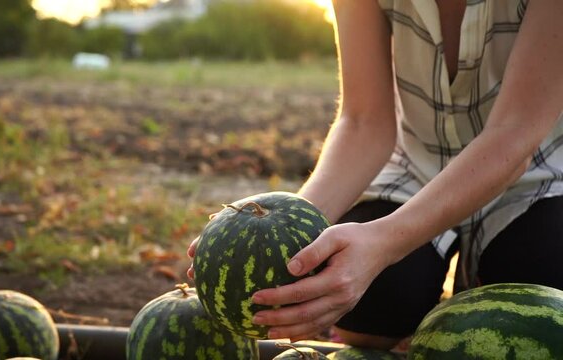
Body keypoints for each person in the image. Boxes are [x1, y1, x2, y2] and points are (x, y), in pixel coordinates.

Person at [188, 0, 563, 350]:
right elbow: (364, 122)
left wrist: (383, 242)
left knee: (543, 277)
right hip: (414, 165)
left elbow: (514, 133)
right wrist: (288, 227)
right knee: (376, 300)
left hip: (535, 171)